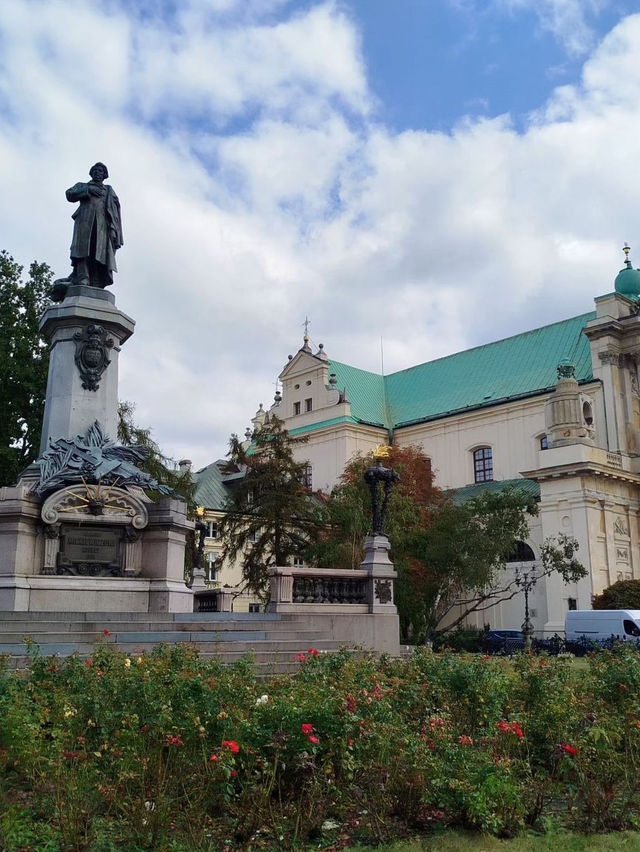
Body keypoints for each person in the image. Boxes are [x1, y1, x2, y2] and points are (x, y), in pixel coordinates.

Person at [59, 162, 123, 290]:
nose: (97, 173)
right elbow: (69, 194)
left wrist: (114, 229)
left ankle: (95, 280)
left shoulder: (109, 191)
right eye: (95, 170)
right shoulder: (83, 186)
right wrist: (87, 190)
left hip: (102, 227)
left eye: (100, 171)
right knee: (82, 251)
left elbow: (115, 210)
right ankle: (83, 278)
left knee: (98, 253)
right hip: (84, 223)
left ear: (104, 175)